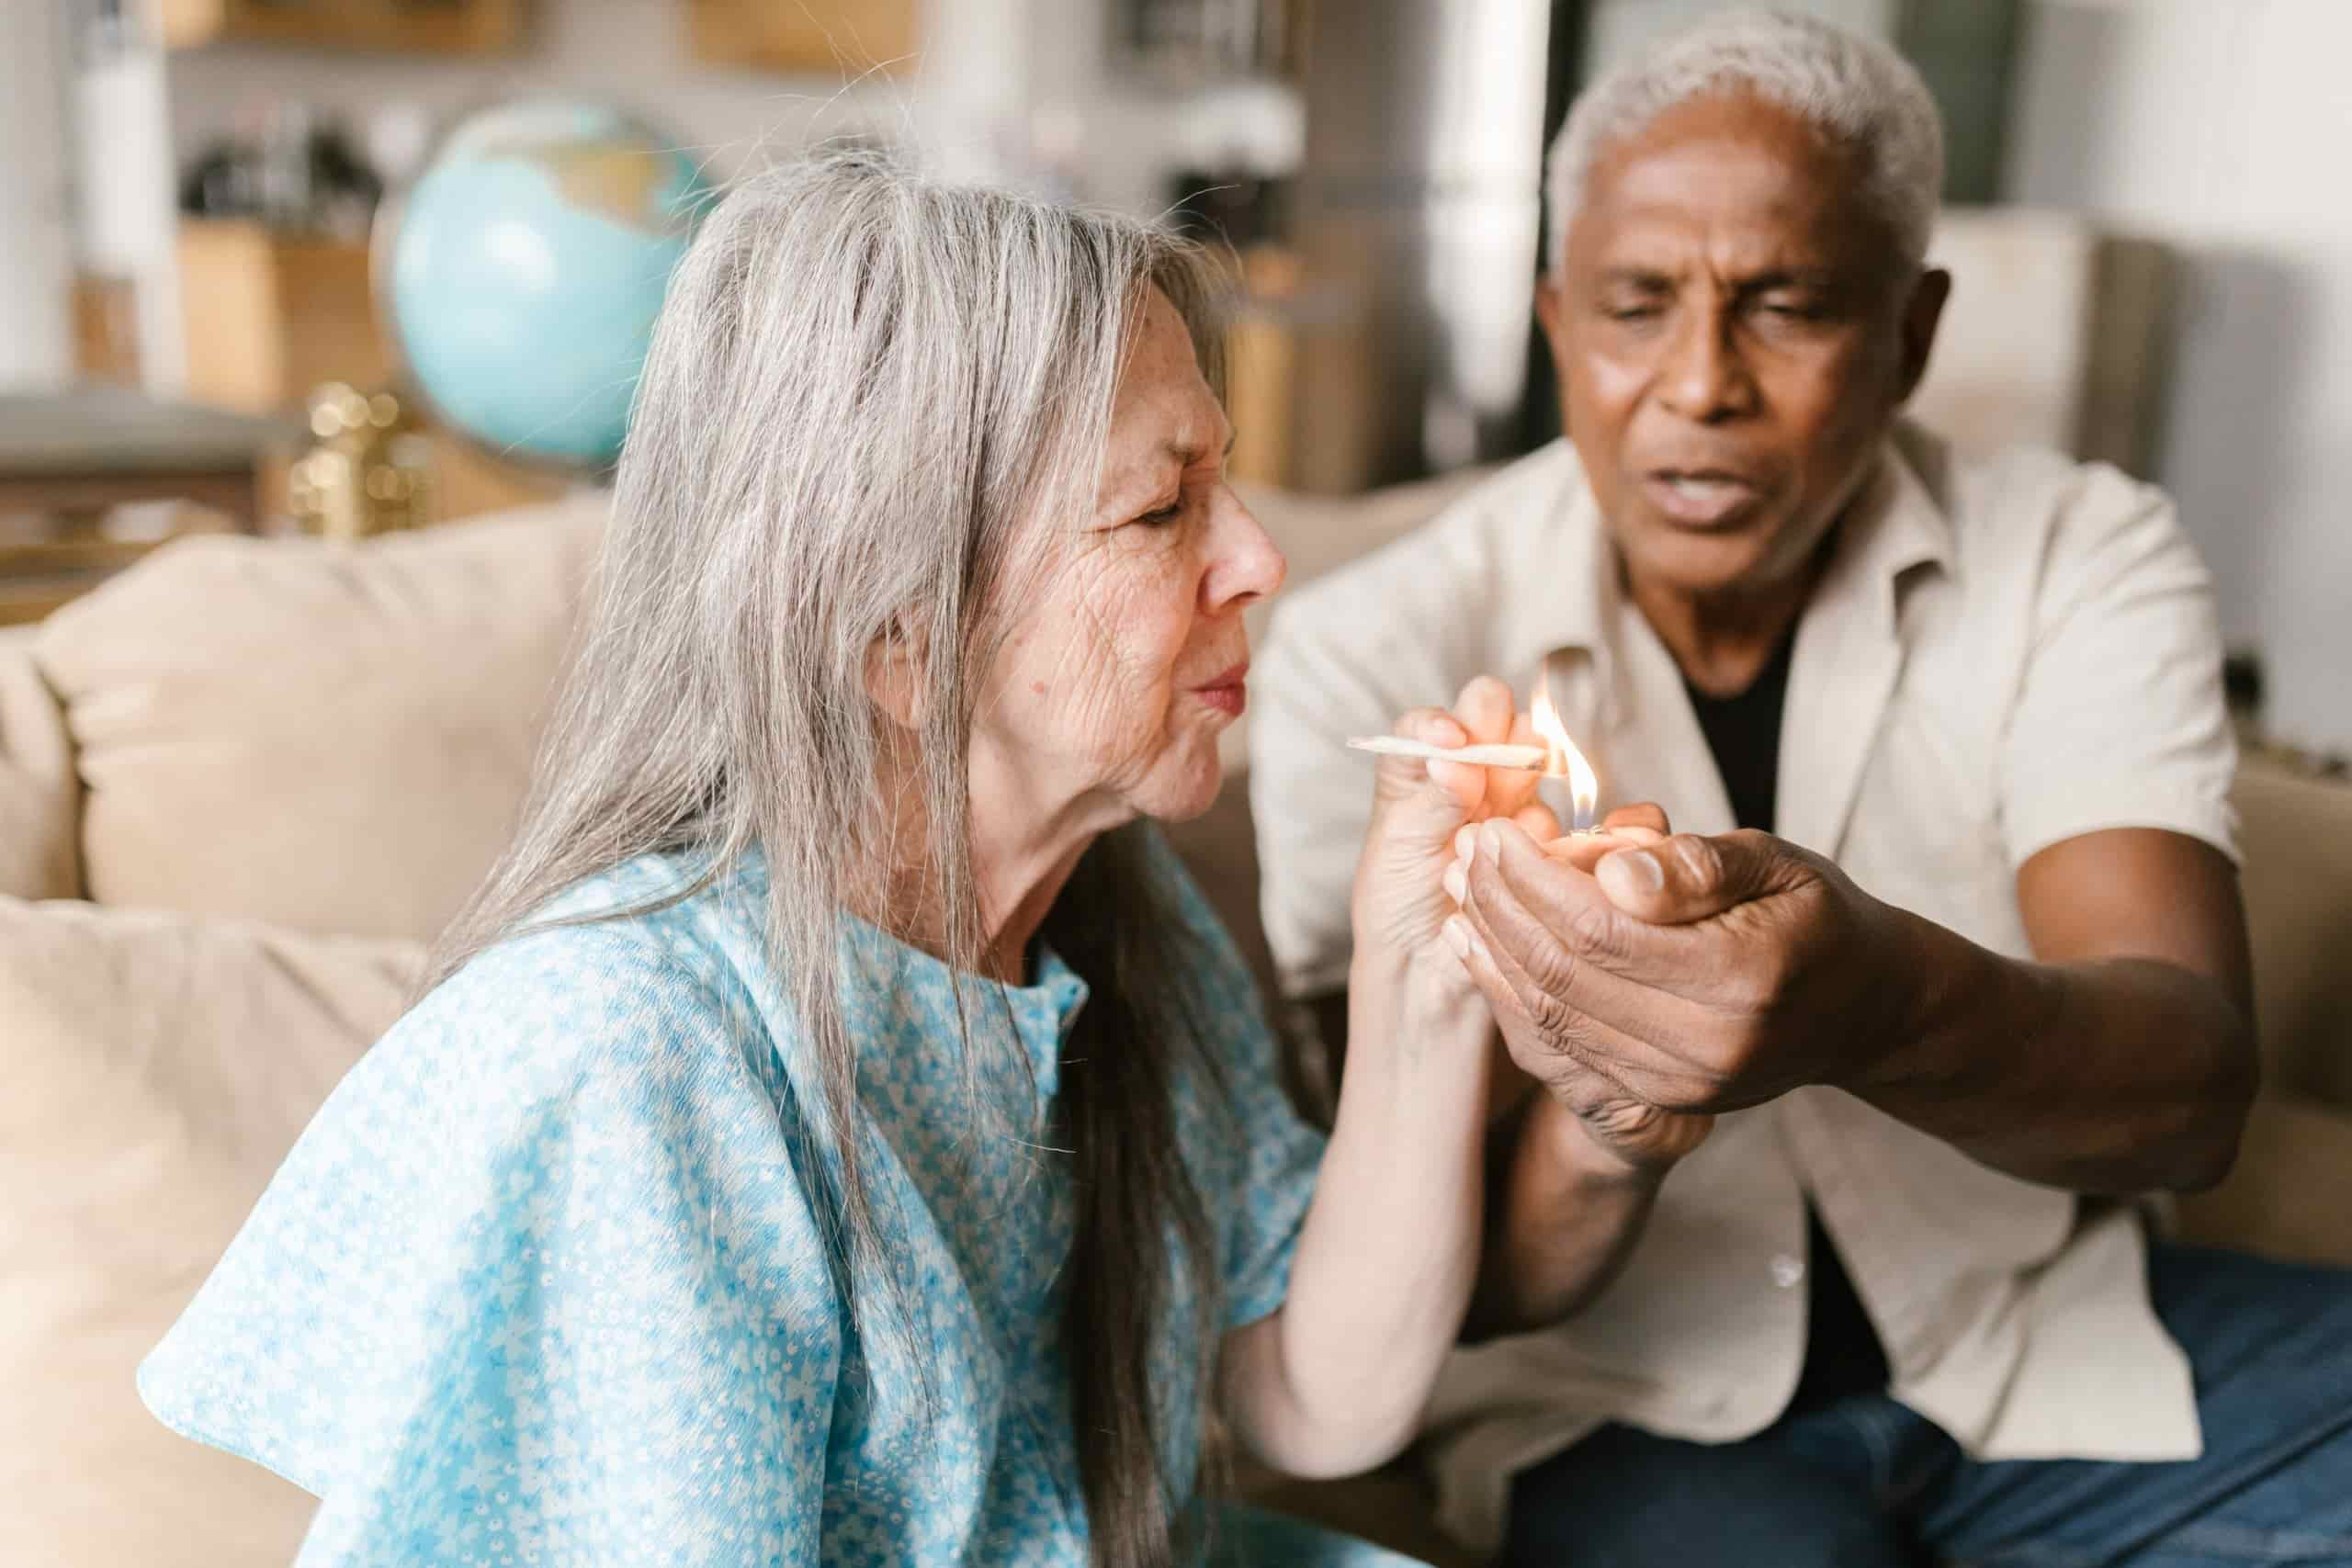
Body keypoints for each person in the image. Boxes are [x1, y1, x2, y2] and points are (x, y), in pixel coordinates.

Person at [137, 151, 1528, 1568]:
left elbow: (1314, 1397)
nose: (1257, 560)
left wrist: (1428, 977)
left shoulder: (1103, 904)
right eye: (1163, 509)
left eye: (1222, 484)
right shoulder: (639, 1064)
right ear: (897, 637)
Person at [1252, 11, 2352, 1567]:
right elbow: (1412, 1274)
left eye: (1787, 307)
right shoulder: (1373, 659)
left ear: (1911, 334)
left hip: (2043, 1346)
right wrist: (1606, 1107)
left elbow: (2185, 1091)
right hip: (1615, 1413)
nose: (1700, 386)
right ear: (1558, 321)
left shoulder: (2072, 559)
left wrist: (1878, 1004)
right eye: (1637, 307)